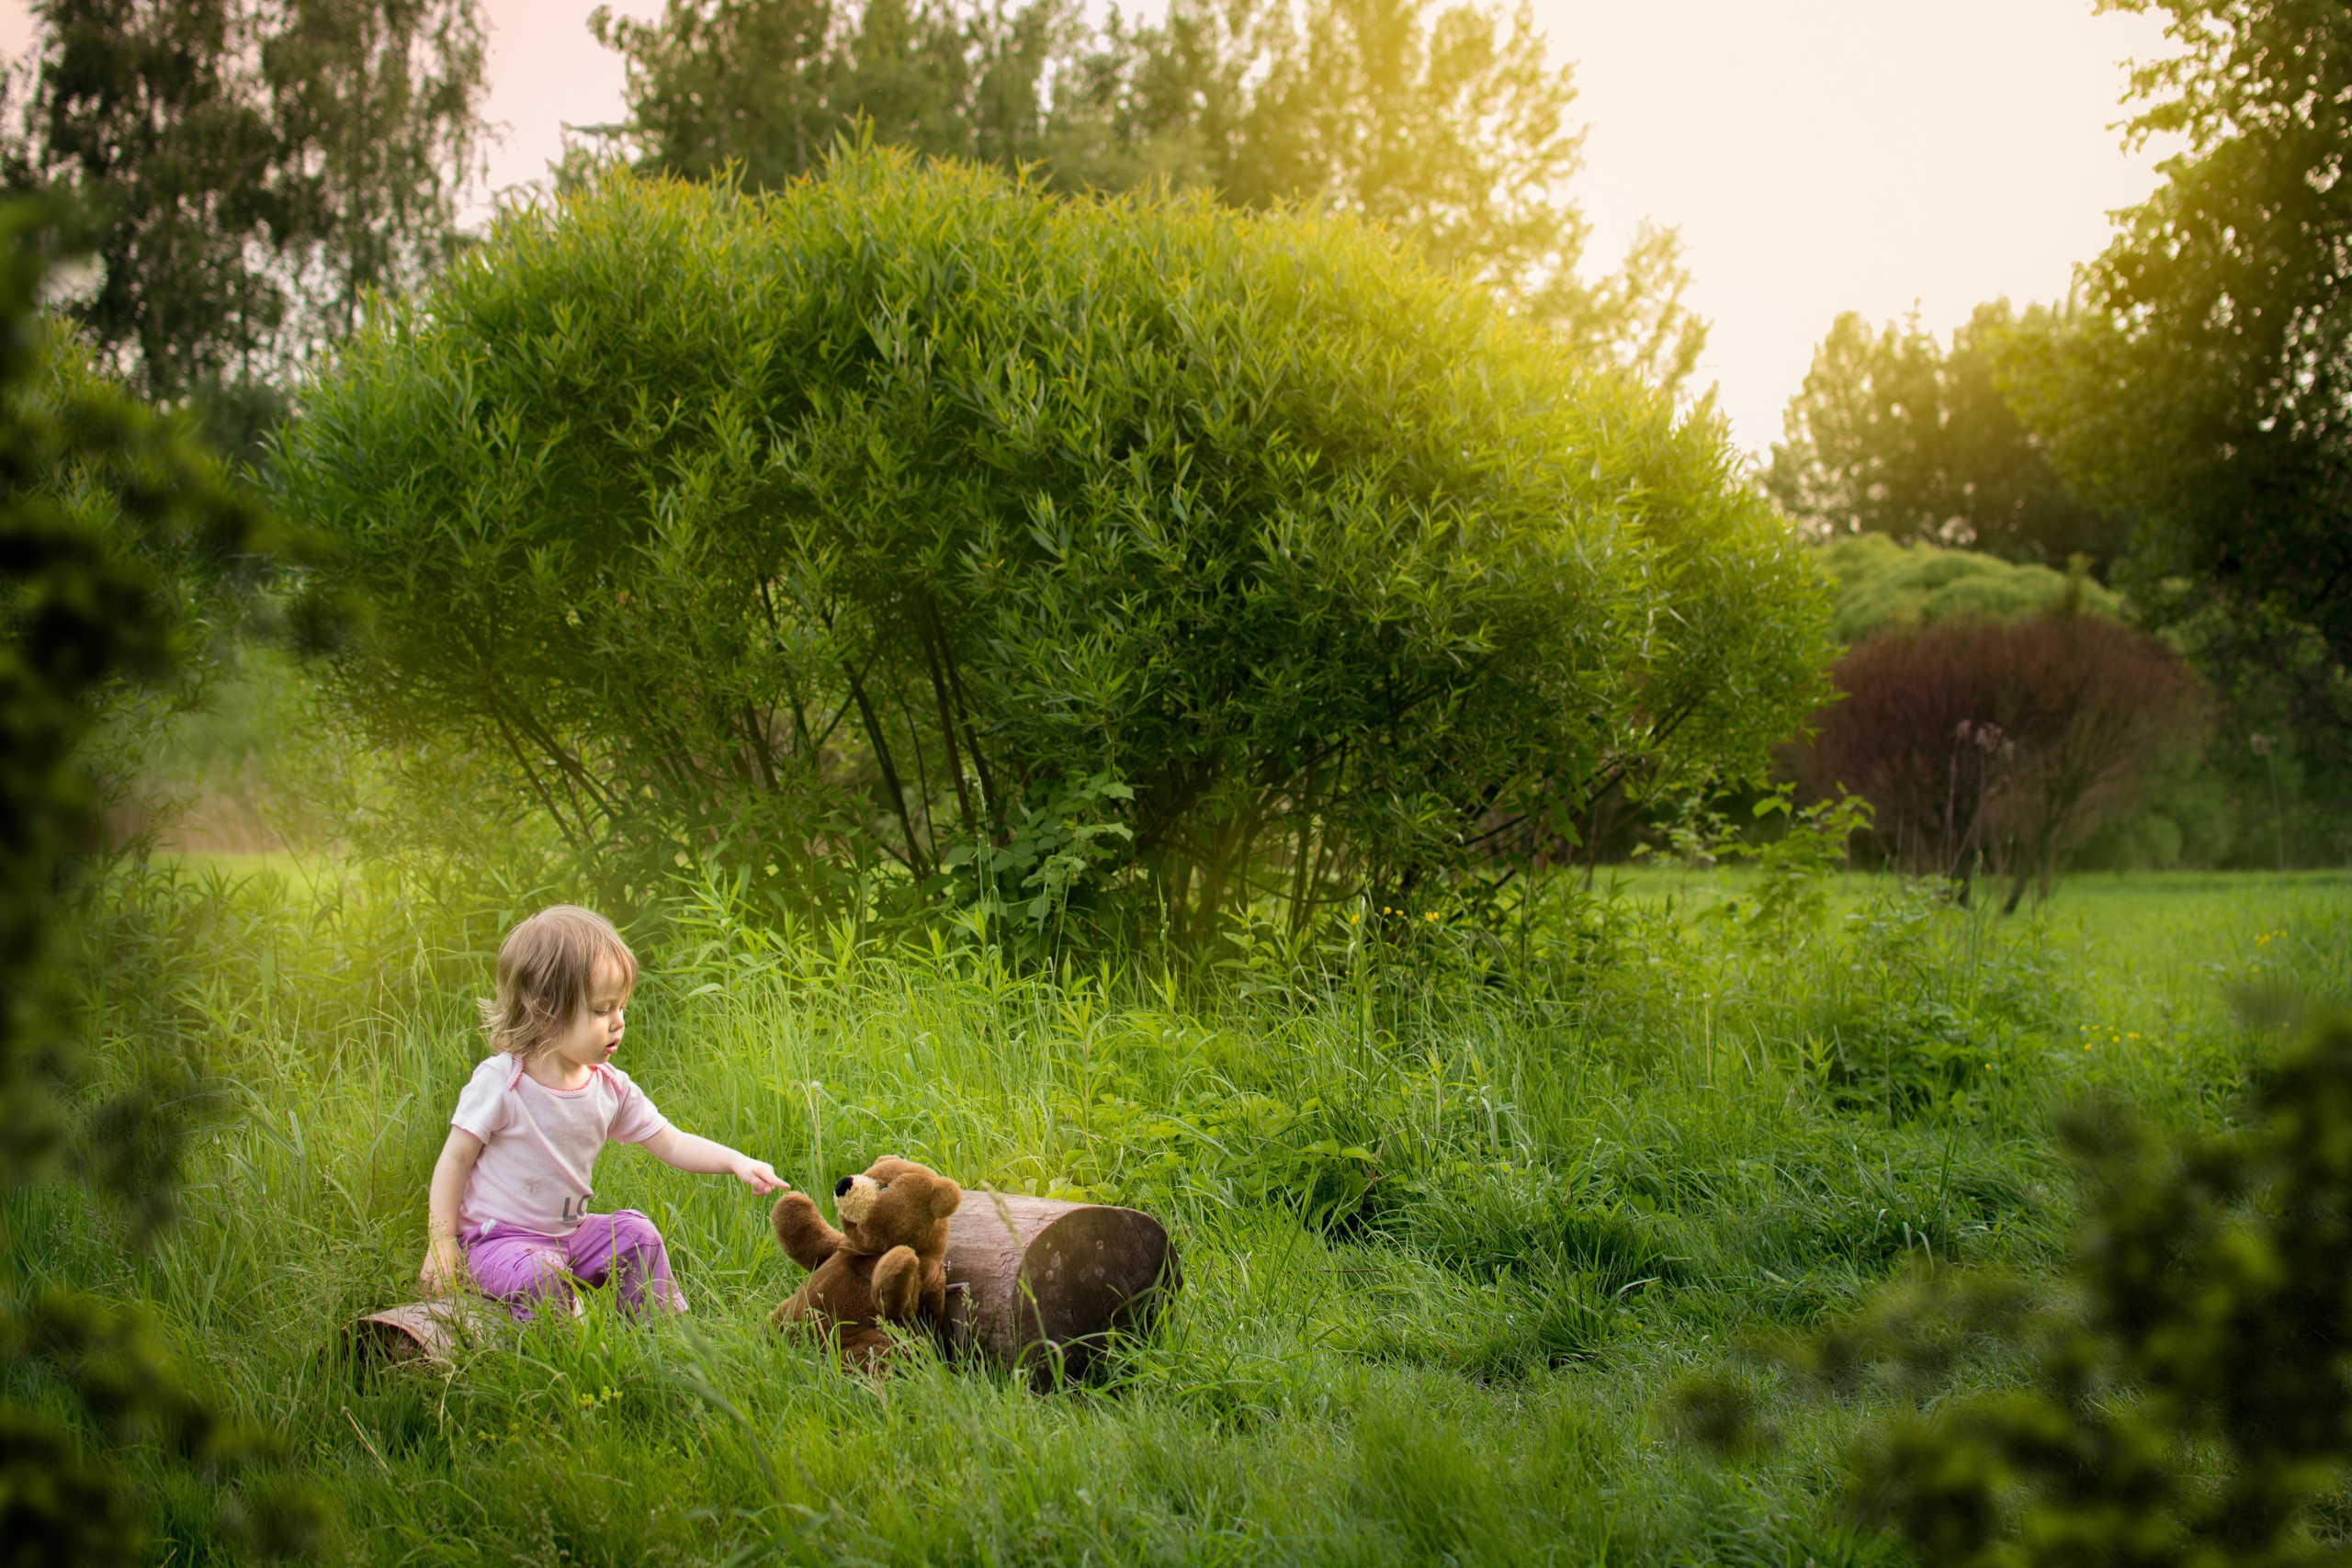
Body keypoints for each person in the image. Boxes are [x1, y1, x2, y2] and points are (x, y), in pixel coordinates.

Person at [418, 904, 786, 1320]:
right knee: (540, 1274)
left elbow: (672, 1142)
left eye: (621, 1007)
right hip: (496, 1242)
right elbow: (456, 1158)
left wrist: (737, 1162)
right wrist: (441, 1242)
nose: (618, 1022)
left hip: (569, 1237)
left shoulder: (609, 1087)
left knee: (637, 1235)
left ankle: (661, 1336)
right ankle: (563, 1348)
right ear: (544, 1009)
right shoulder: (504, 1082)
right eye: (601, 1010)